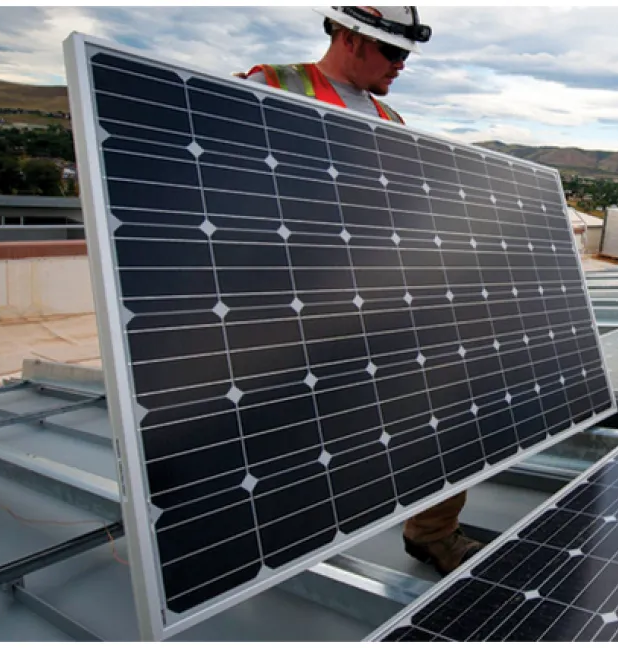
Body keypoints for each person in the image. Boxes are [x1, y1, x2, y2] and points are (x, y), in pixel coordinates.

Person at [237, 6, 483, 577]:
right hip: (291, 300)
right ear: (349, 38)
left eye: (405, 56)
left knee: (446, 403)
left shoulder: (389, 118)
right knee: (292, 433)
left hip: (371, 296)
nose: (401, 67)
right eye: (392, 53)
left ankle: (434, 532)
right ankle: (263, 542)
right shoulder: (271, 86)